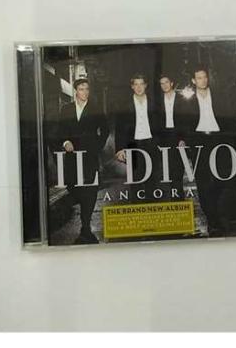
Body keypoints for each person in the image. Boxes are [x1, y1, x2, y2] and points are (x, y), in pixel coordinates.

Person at [184, 66, 236, 236]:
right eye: (199, 78)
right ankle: (213, 221)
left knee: (223, 179)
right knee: (203, 182)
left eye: (205, 77)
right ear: (193, 81)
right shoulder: (187, 102)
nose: (203, 80)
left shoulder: (220, 97)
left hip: (219, 140)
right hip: (200, 141)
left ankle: (223, 217)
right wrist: (188, 143)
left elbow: (230, 119)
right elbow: (184, 124)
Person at [55, 78, 109, 244]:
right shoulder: (66, 109)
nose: (85, 92)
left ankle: (86, 226)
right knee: (73, 187)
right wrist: (65, 142)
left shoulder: (95, 109)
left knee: (90, 190)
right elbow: (59, 130)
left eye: (87, 89)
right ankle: (82, 216)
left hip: (89, 156)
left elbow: (105, 130)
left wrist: (96, 146)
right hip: (72, 156)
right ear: (75, 91)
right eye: (81, 89)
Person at [114, 73, 159, 198]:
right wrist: (119, 149)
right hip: (132, 145)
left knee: (152, 179)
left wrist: (160, 143)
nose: (139, 87)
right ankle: (137, 205)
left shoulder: (155, 104)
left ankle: (151, 206)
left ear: (146, 85)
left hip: (151, 144)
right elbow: (119, 129)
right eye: (136, 84)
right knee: (135, 179)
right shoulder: (124, 105)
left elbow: (160, 125)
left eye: (141, 84)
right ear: (132, 86)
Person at [156, 74, 186, 200]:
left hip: (177, 135)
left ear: (172, 83)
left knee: (178, 168)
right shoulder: (158, 102)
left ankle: (179, 197)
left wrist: (183, 139)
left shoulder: (181, 100)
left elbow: (186, 121)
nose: (164, 85)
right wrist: (158, 141)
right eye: (162, 83)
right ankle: (171, 197)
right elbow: (156, 122)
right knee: (167, 169)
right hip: (164, 137)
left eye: (166, 82)